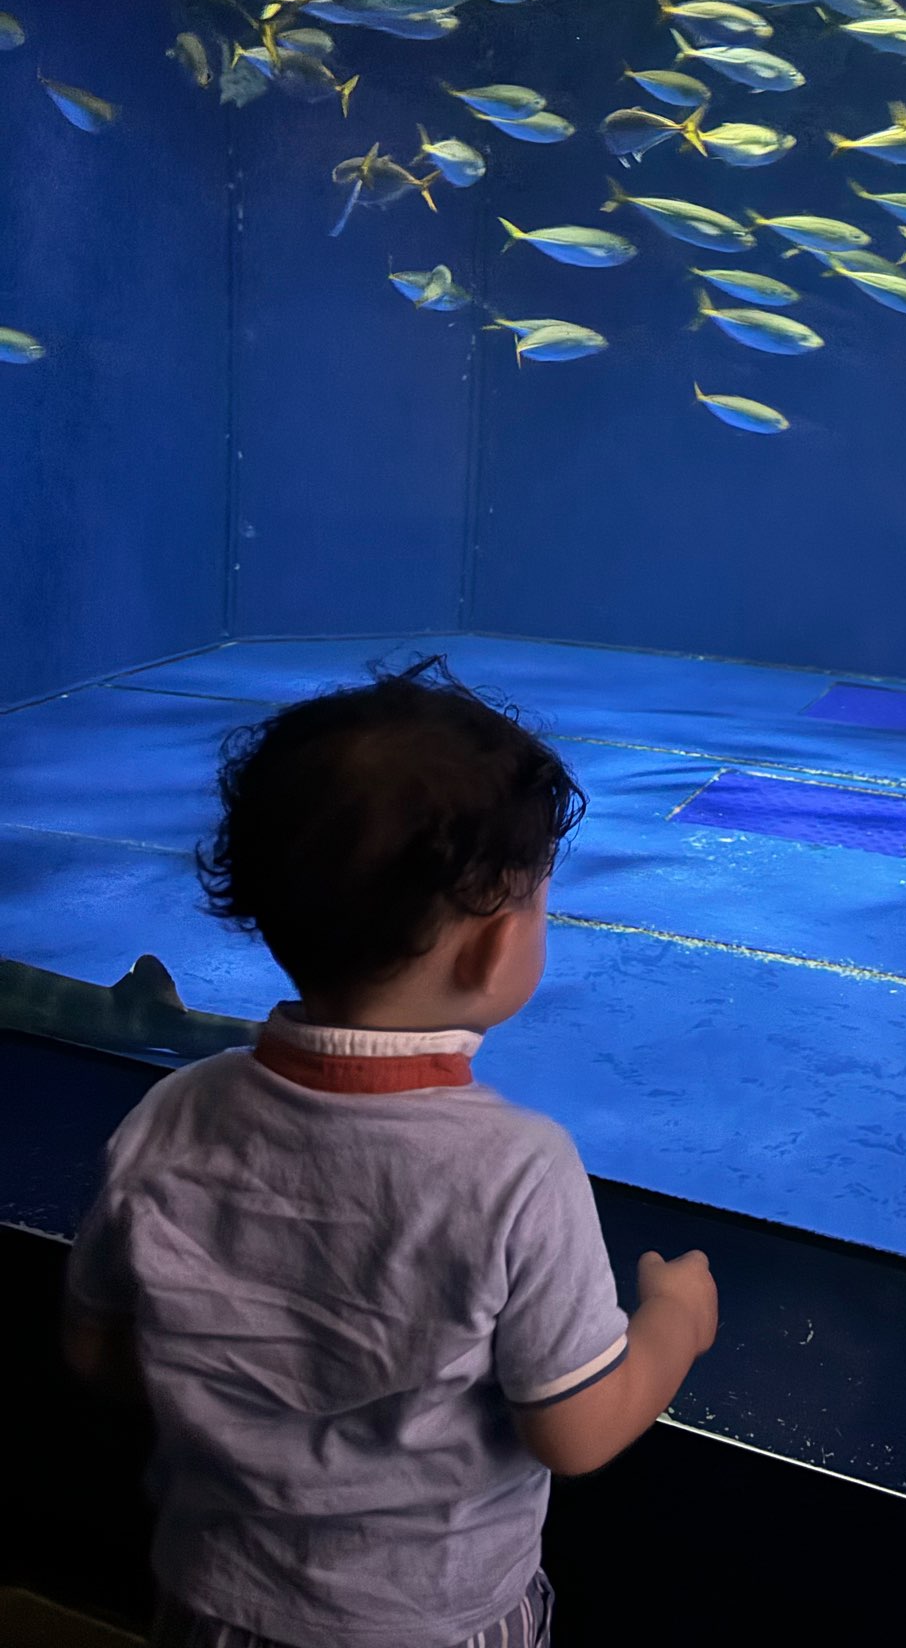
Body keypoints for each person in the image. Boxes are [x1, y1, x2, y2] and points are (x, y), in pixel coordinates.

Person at [62, 657, 720, 1648]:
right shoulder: (518, 1169)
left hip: (212, 1606)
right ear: (494, 948)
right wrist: (674, 1324)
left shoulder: (172, 1115)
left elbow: (96, 1345)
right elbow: (576, 1430)